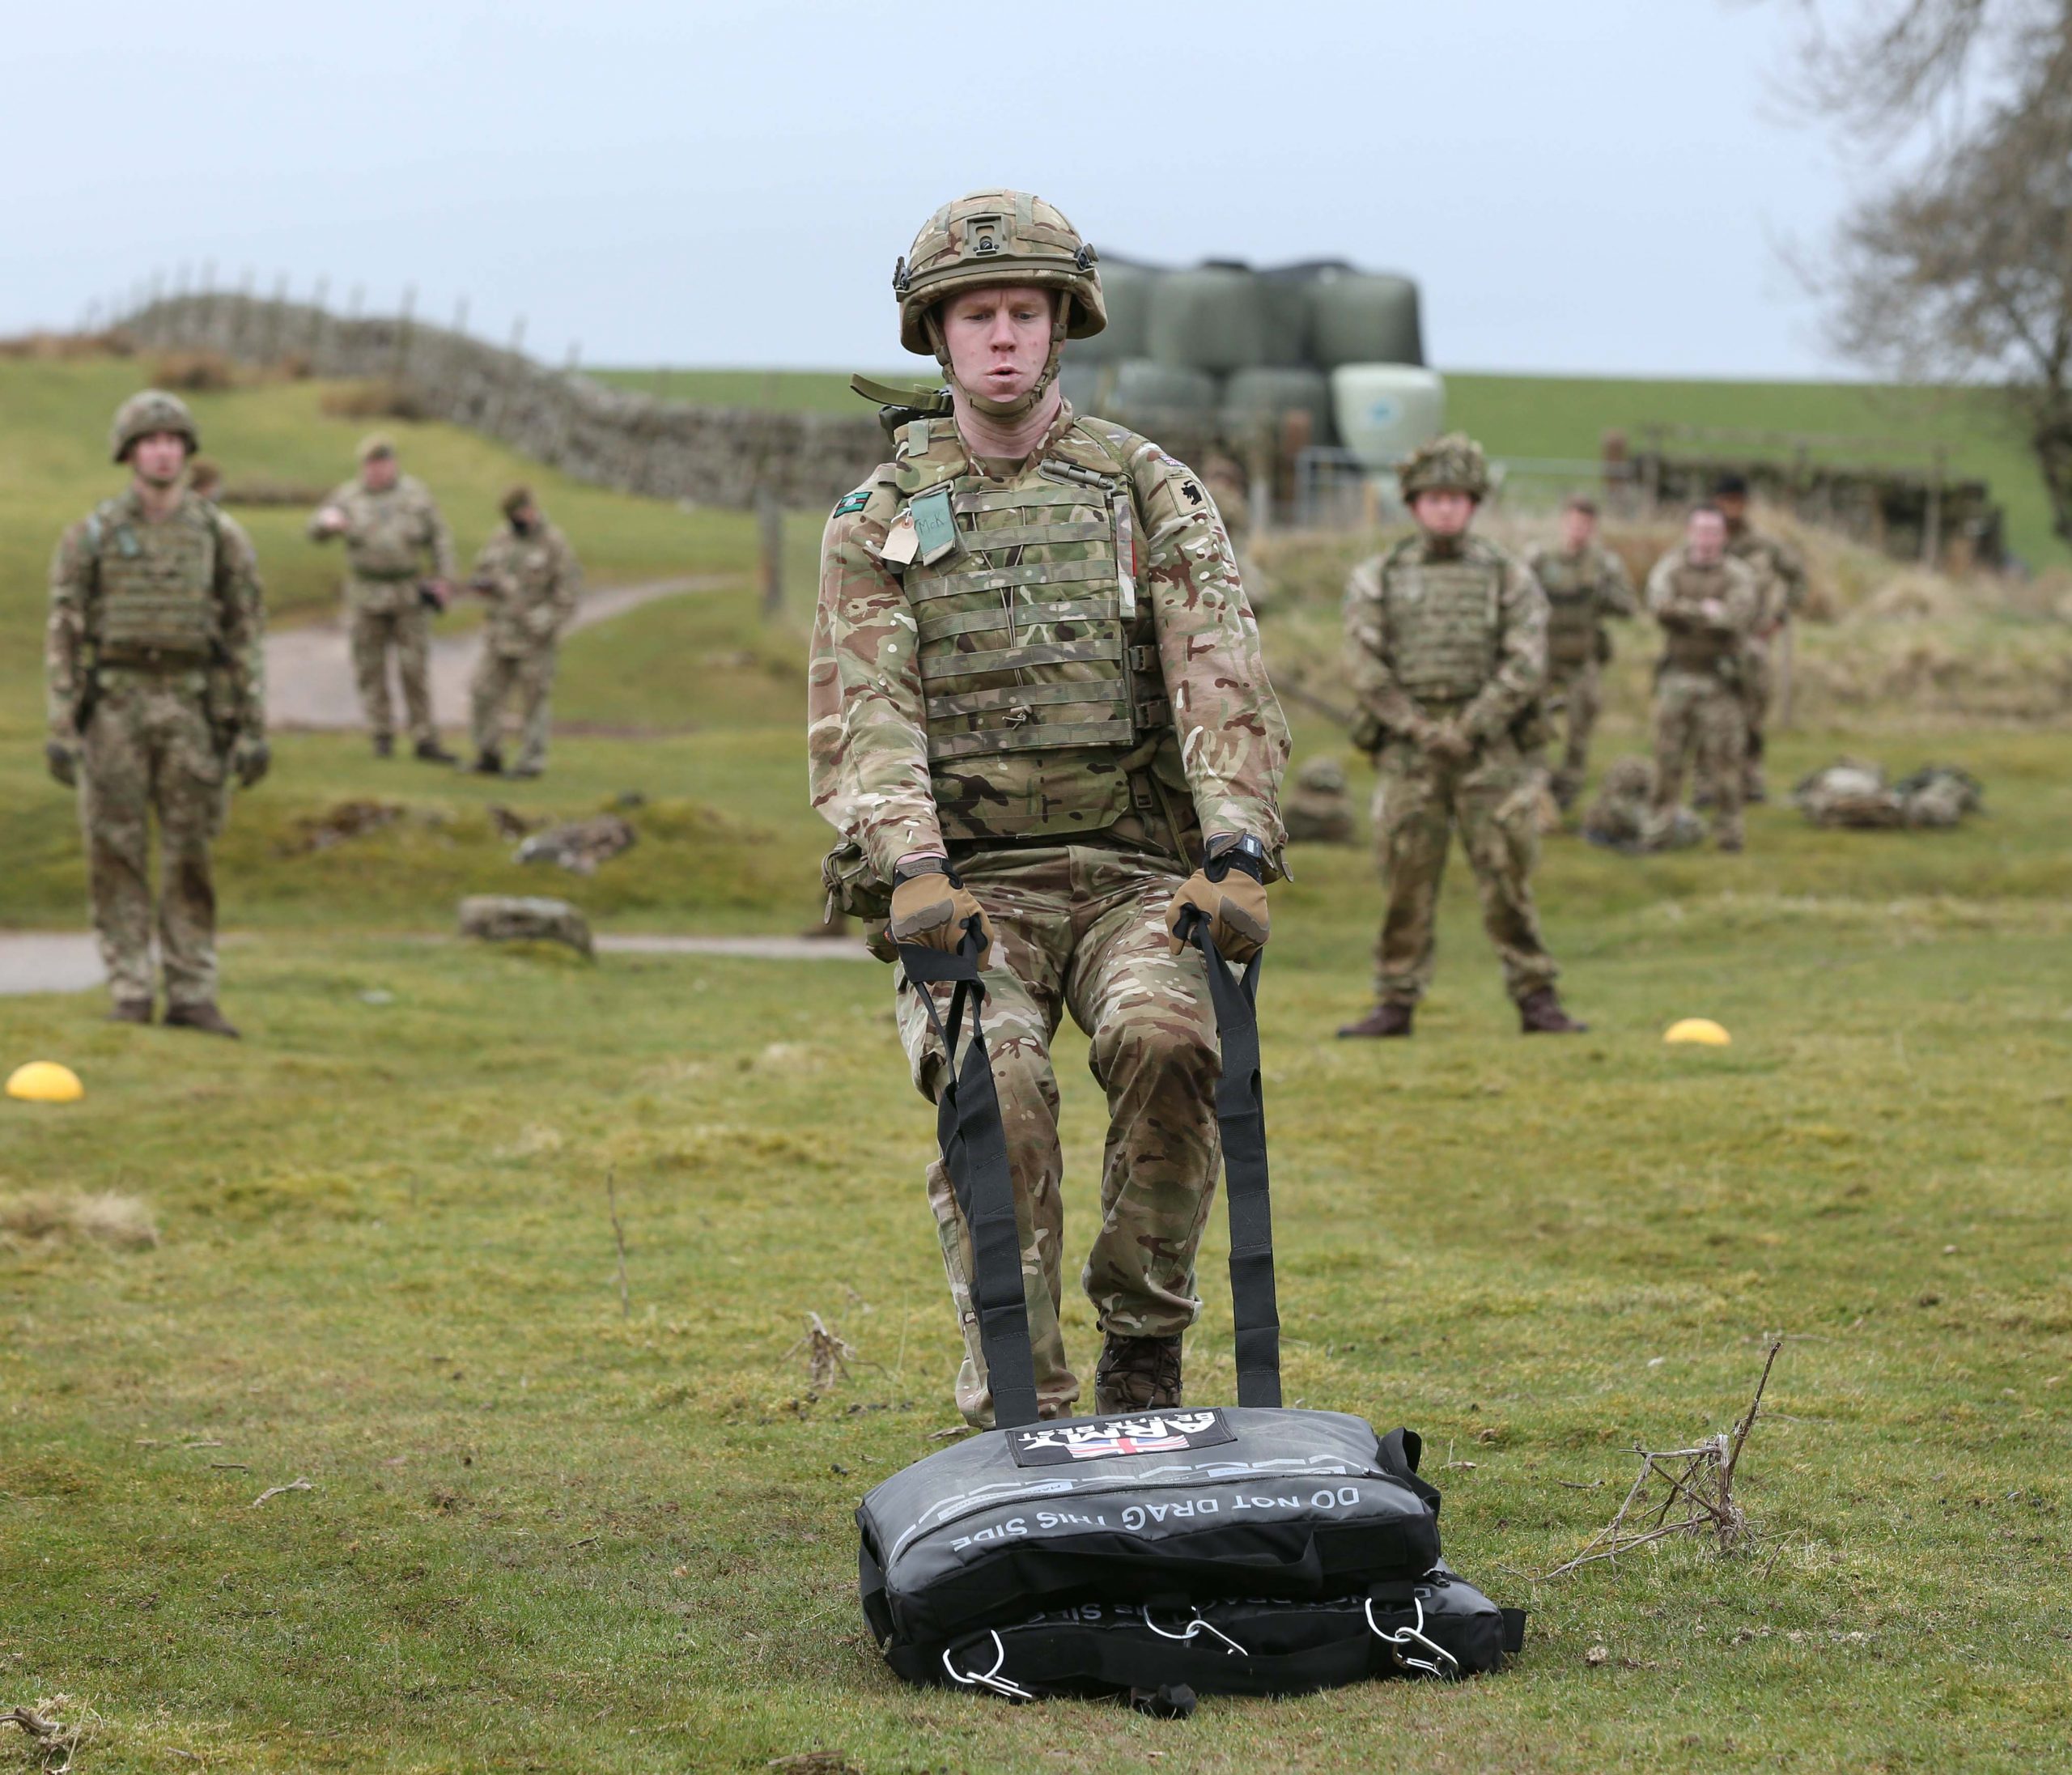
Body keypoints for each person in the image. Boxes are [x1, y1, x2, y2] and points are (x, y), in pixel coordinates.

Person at [809, 189, 1289, 1426]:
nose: (1004, 337)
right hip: (968, 889)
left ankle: (1144, 1343)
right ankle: (1021, 1394)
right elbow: (870, 715)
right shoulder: (878, 520)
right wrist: (912, 868)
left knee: (1175, 1044)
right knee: (997, 1085)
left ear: (1063, 324)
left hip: (1134, 873)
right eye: (978, 316)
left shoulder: (1142, 489)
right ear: (939, 335)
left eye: (1025, 311)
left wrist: (1237, 841)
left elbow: (1218, 667)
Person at [1337, 433, 1584, 1039]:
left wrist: (1471, 727)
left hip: (1491, 753)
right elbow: (1366, 666)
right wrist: (1422, 728)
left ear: (1473, 503)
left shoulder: (1508, 576)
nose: (1445, 508)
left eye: (1456, 498)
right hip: (1411, 754)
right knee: (1405, 881)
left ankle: (1536, 996)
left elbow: (1526, 662)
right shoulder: (1381, 576)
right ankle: (1395, 999)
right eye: (1433, 498)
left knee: (1507, 877)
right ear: (1415, 504)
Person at [44, 391, 269, 1036]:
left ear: (187, 451)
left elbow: (246, 630)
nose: (163, 451)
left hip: (193, 709)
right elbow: (65, 627)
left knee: (189, 852)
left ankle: (193, 989)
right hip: (114, 706)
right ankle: (130, 986)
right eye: (150, 440)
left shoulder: (219, 535)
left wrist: (253, 727)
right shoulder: (94, 534)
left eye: (174, 440)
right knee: (113, 850)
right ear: (129, 452)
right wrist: (62, 721)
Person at [307, 435, 457, 761]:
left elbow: (439, 536)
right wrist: (327, 524)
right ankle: (381, 735)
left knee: (413, 668)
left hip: (407, 592)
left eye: (383, 464)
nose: (377, 470)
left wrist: (444, 579)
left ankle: (425, 738)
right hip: (365, 594)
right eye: (371, 465)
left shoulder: (416, 494)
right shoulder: (348, 496)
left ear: (393, 464)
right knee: (369, 667)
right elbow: (314, 530)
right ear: (364, 467)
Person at [1645, 504, 1761, 851]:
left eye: (1714, 531)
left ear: (1723, 536)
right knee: (1667, 761)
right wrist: (1707, 611)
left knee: (1726, 764)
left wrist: (1686, 612)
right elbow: (1659, 606)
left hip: (1720, 682)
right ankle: (1658, 831)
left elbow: (1736, 618)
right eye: (1701, 530)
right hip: (1677, 677)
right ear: (1689, 532)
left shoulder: (1738, 574)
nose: (1707, 538)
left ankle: (1729, 834)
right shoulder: (1670, 567)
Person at [1527, 495, 1635, 809]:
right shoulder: (1540, 559)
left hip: (1582, 656)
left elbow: (1628, 607)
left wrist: (1604, 593)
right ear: (1563, 523)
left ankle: (1569, 790)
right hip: (1544, 655)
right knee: (1532, 721)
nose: (1579, 530)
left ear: (1593, 527)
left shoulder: (1604, 564)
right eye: (1574, 523)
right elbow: (1515, 597)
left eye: (1586, 524)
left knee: (1581, 725)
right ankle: (1537, 784)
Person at [465, 486, 581, 777]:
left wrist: (549, 621)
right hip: (499, 633)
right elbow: (483, 571)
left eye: (523, 511)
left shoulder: (554, 544)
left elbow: (568, 594)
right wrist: (484, 585)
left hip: (533, 638)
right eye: (514, 514)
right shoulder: (500, 539)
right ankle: (488, 752)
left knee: (533, 699)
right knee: (483, 691)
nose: (521, 517)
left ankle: (532, 761)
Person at [1713, 472, 1807, 802]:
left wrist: (1779, 617)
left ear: (1746, 504)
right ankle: (1710, 781)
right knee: (1712, 713)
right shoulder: (1708, 540)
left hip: (1754, 640)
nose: (1732, 508)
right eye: (1726, 502)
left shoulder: (1765, 545)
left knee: (1753, 712)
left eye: (1737, 502)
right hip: (1714, 640)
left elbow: (1798, 576)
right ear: (1717, 503)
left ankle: (1751, 780)